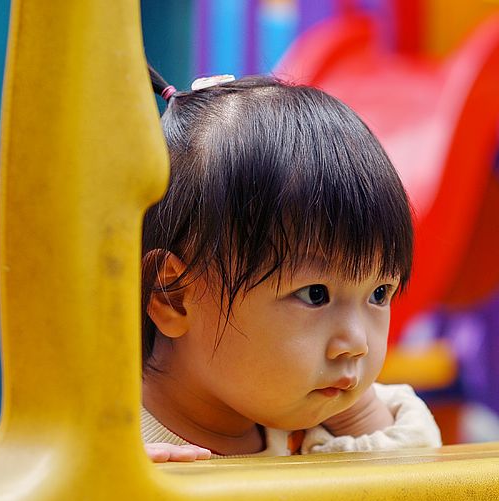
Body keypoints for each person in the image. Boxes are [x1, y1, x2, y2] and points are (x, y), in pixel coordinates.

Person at [141, 66, 441, 461]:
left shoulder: (318, 429)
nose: (356, 344)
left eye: (379, 293)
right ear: (175, 296)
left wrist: (357, 411)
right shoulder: (93, 441)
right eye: (315, 295)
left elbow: (416, 485)